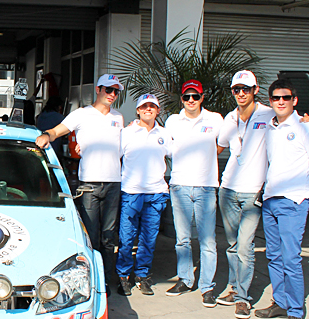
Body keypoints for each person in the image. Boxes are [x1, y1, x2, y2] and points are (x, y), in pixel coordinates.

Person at [36, 74, 124, 294]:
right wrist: (46, 135)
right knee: (91, 236)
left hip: (114, 183)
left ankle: (105, 281)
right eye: (108, 90)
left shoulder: (119, 117)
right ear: (98, 89)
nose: (112, 95)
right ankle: (91, 280)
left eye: (116, 91)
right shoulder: (82, 114)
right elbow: (58, 130)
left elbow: (123, 147)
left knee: (109, 237)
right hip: (89, 185)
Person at [254, 79, 309, 319]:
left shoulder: (306, 128)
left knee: (291, 258)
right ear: (271, 101)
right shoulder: (270, 128)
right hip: (271, 199)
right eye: (276, 98)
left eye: (285, 97)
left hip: (294, 201)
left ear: (294, 100)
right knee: (273, 255)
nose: (280, 102)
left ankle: (296, 311)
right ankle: (280, 302)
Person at [164, 80, 224, 307]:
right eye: (187, 96)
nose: (191, 100)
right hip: (179, 185)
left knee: (208, 241)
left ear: (202, 97)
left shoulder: (215, 119)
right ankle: (185, 279)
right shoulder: (173, 121)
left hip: (206, 187)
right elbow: (163, 145)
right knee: (182, 240)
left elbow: (227, 140)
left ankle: (207, 287)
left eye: (195, 96)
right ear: (181, 98)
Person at [115, 94, 171, 296]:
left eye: (152, 106)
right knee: (126, 238)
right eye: (144, 106)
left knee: (149, 239)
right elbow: (112, 156)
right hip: (132, 193)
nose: (148, 109)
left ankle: (142, 275)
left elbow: (178, 155)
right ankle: (123, 276)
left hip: (156, 194)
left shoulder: (164, 134)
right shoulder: (126, 132)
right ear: (138, 110)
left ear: (158, 111)